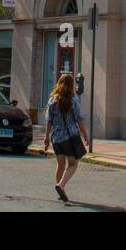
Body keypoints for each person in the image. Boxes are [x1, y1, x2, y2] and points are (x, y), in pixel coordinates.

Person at [42, 72, 88, 202]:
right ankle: (61, 186)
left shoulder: (52, 100)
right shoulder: (73, 100)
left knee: (60, 164)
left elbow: (49, 120)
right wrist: (85, 134)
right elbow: (79, 119)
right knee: (73, 164)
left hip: (56, 138)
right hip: (69, 136)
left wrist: (46, 138)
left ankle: (60, 190)